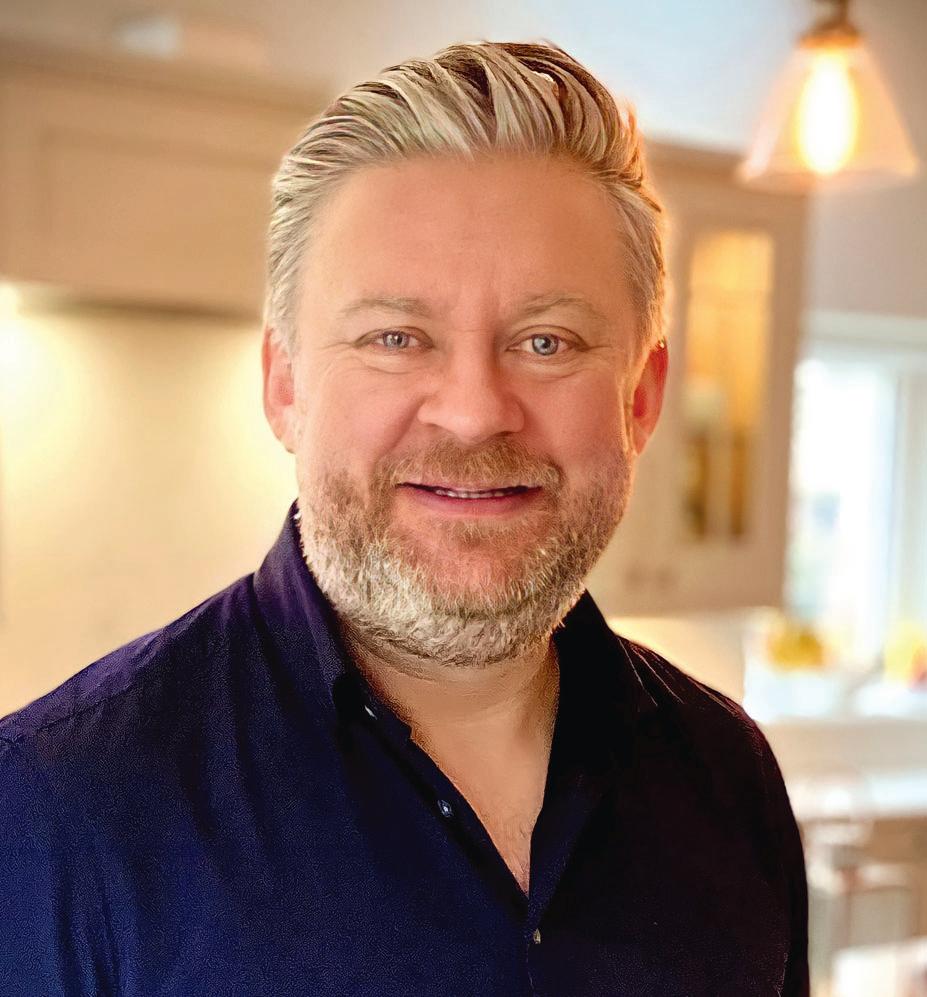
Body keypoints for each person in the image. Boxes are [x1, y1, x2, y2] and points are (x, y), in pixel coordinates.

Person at [0, 40, 808, 996]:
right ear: (286, 385)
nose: (472, 411)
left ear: (639, 397)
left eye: (546, 341)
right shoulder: (53, 811)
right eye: (395, 337)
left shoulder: (728, 774)